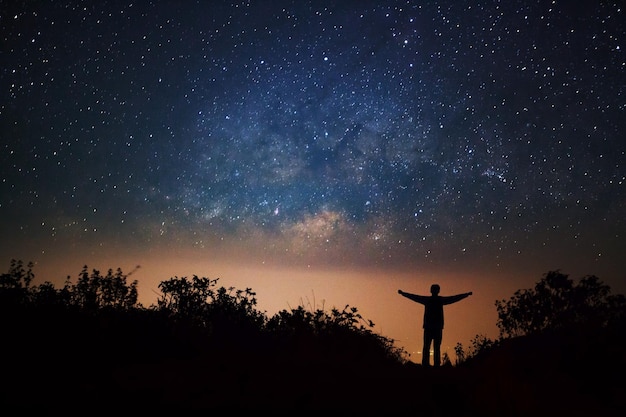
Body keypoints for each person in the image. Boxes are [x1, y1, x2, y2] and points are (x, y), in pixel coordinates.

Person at [398, 284, 472, 367]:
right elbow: (453, 298)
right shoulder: (438, 300)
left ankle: (428, 364)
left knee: (429, 347)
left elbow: (416, 297)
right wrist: (466, 295)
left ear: (432, 291)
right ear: (437, 291)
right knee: (433, 347)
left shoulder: (430, 300)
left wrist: (466, 295)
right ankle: (433, 364)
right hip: (435, 327)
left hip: (432, 327)